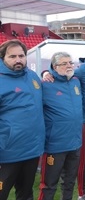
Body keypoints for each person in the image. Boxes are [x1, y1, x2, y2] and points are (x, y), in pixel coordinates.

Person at [42, 42, 85, 199]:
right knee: (83, 161)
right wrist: (46, 72)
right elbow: (58, 75)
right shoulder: (80, 72)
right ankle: (82, 192)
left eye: (70, 63)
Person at [0, 39, 45, 200]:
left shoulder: (32, 76)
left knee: (26, 194)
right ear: (3, 57)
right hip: (7, 154)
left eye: (21, 55)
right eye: (12, 56)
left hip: (31, 150)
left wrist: (47, 74)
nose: (18, 59)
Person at [38, 52, 83, 200]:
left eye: (71, 62)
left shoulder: (75, 81)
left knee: (69, 182)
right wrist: (44, 73)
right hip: (55, 146)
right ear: (55, 66)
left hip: (75, 143)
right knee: (49, 185)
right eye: (65, 63)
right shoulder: (45, 84)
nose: (69, 66)